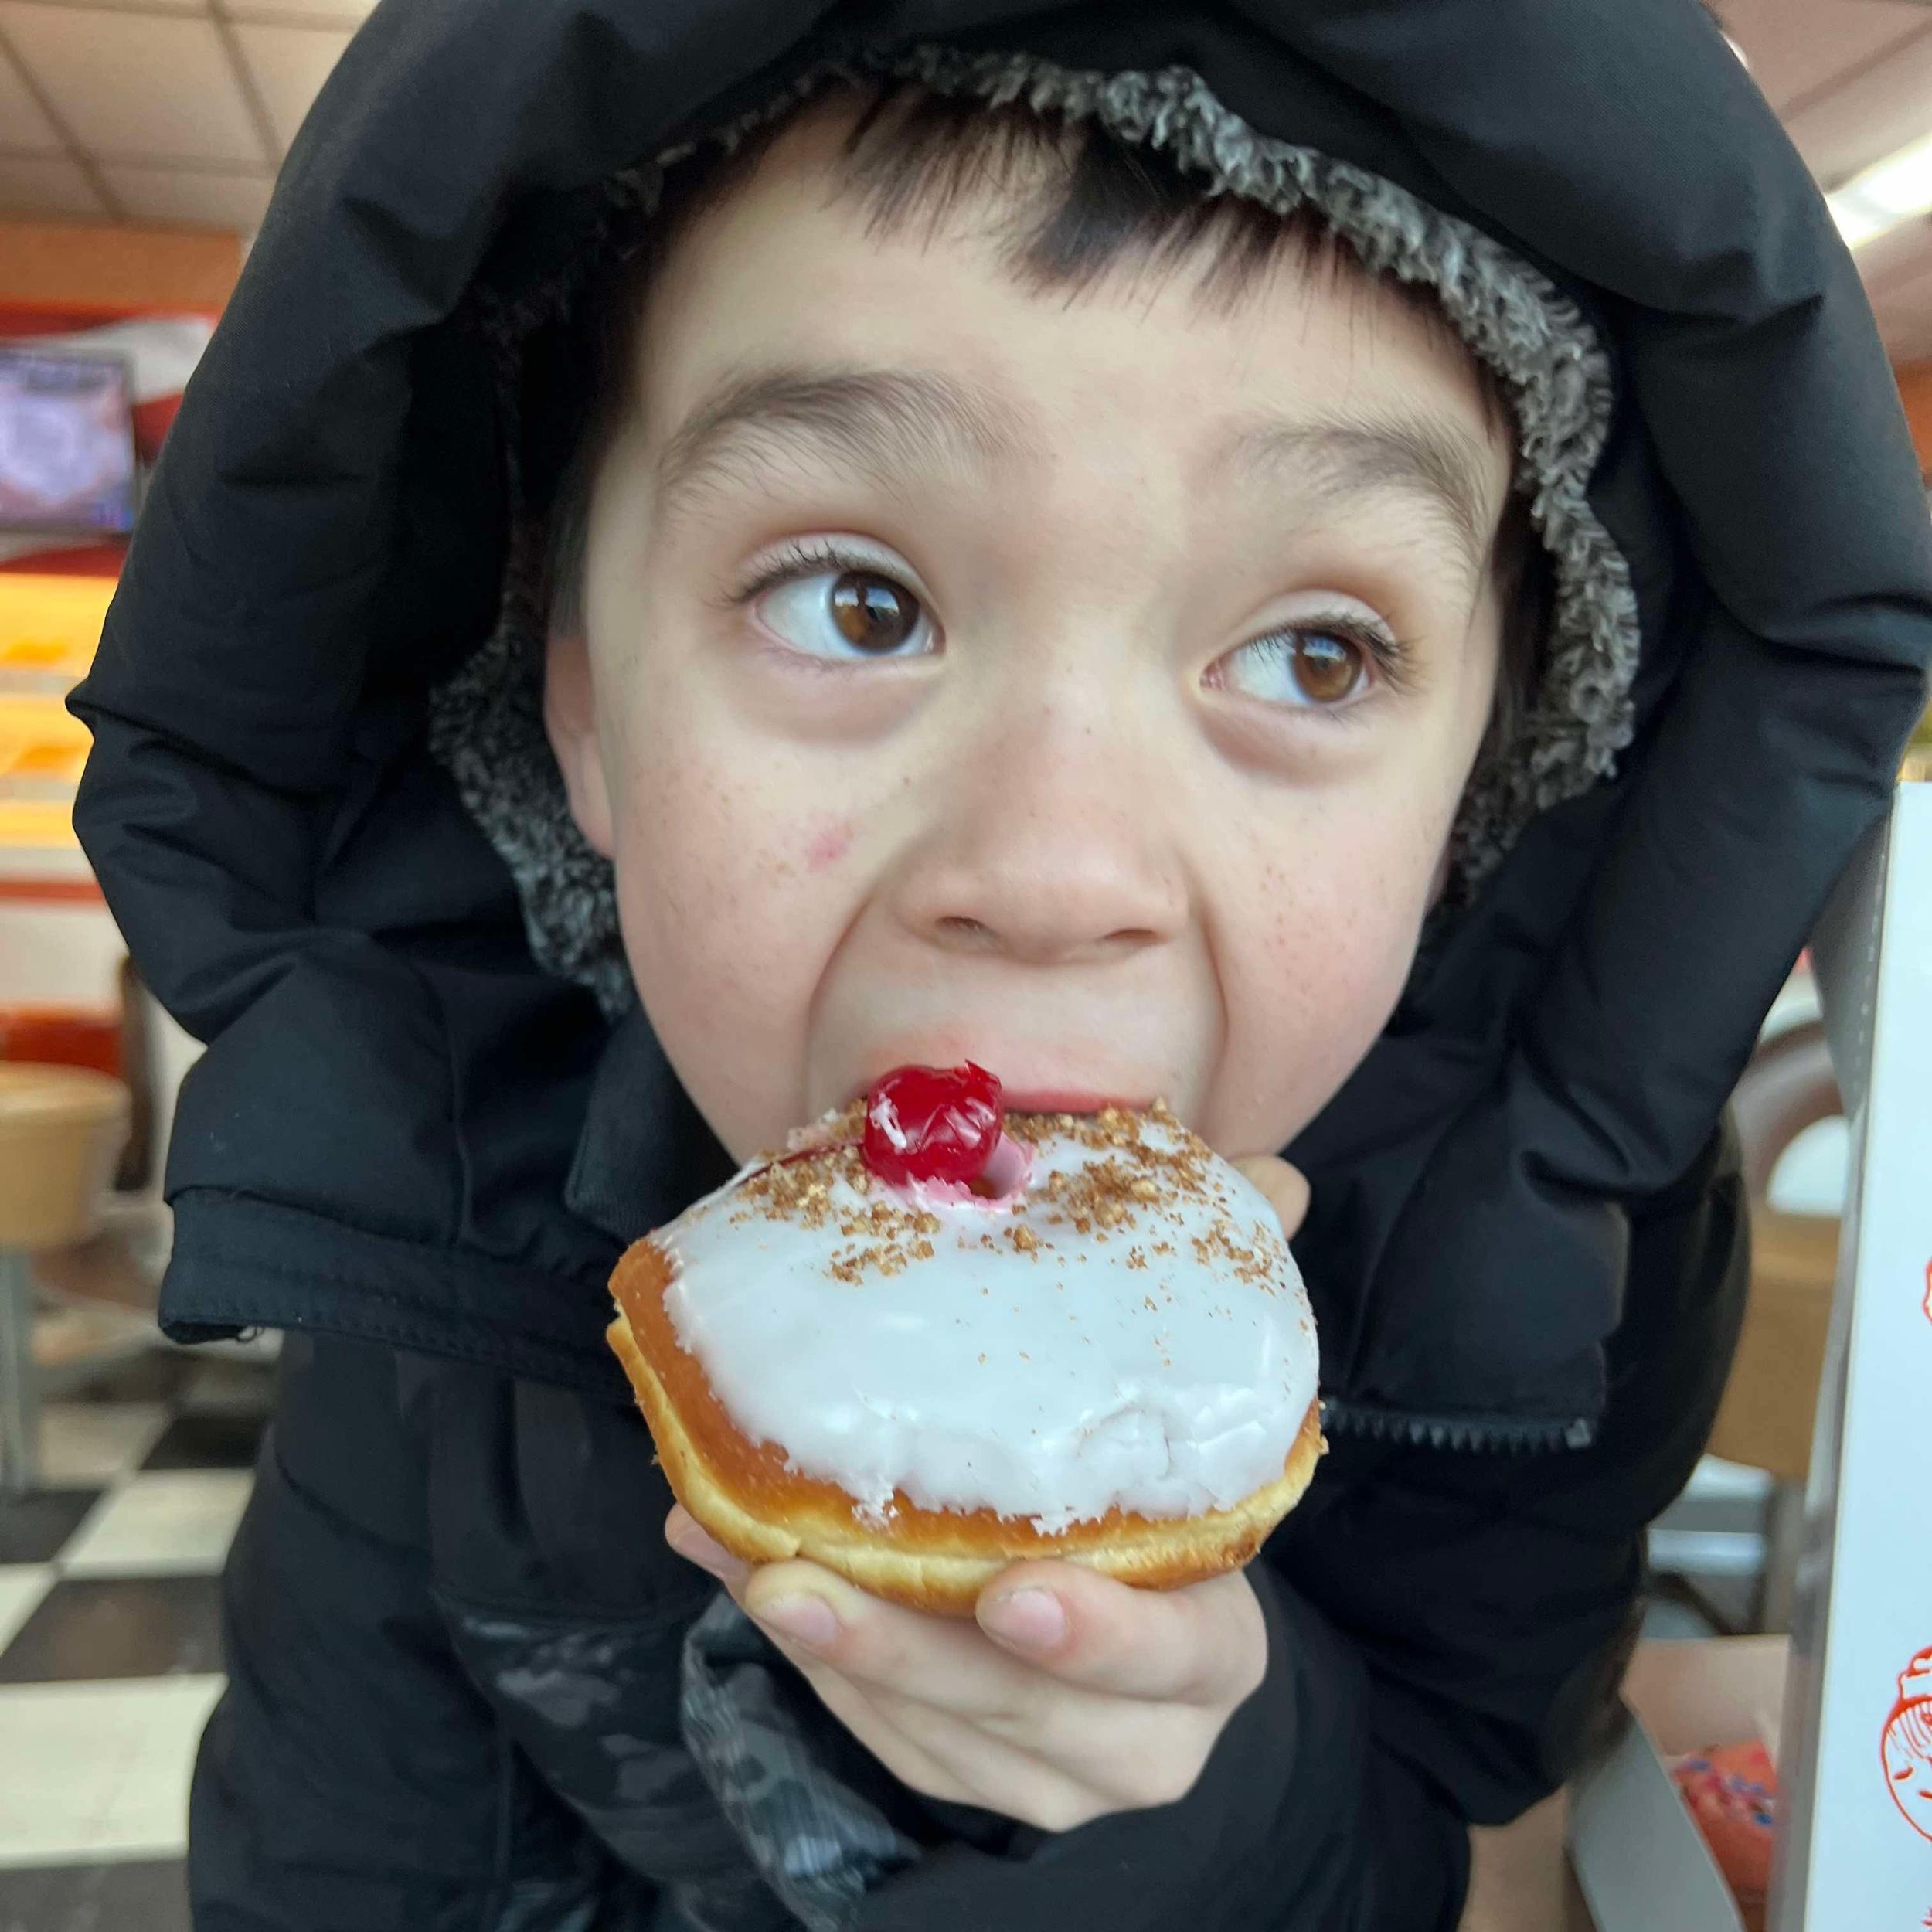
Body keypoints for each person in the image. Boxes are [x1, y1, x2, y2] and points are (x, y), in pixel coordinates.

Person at [69, 5, 1932, 1929]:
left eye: (1312, 653)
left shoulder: (1549, 1279)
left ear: (1481, 779)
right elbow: (337, 1863)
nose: (1054, 873)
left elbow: (1461, 1834)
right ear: (591, 710)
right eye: (853, 602)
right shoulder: (438, 1225)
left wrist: (1211, 1793)